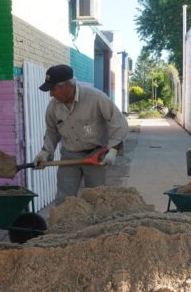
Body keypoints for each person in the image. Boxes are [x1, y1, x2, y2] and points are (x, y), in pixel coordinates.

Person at [34, 64, 129, 204]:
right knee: (64, 198)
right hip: (70, 155)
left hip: (96, 155)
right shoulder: (53, 107)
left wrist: (113, 149)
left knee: (96, 198)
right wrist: (45, 151)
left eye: (53, 89)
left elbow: (119, 122)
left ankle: (96, 225)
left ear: (67, 85)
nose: (51, 94)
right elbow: (52, 131)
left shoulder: (95, 98)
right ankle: (62, 225)